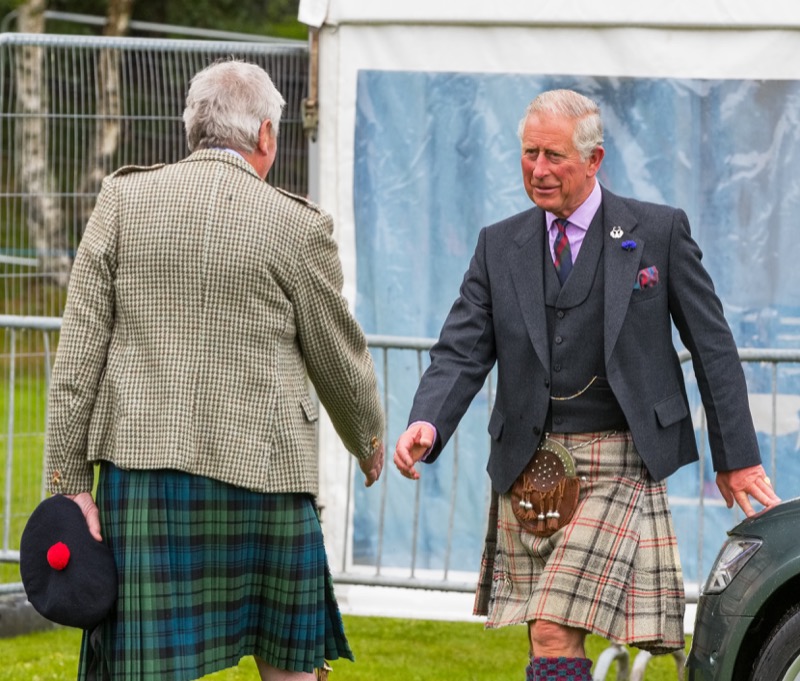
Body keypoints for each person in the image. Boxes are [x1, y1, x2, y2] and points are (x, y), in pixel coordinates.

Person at [393, 89, 780, 681]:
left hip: (620, 460)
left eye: (553, 156)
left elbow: (713, 347)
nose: (538, 170)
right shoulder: (501, 244)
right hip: (529, 461)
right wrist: (429, 418)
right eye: (528, 154)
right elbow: (463, 347)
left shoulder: (657, 231)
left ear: (594, 159)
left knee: (550, 624)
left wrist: (737, 459)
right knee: (547, 639)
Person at [44, 59, 385, 681]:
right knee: (290, 665)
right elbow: (340, 354)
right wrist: (368, 439)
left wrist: (67, 481)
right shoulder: (295, 224)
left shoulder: (123, 198)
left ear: (191, 128)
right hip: (267, 475)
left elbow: (78, 355)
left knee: (142, 667)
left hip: (145, 476)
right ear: (264, 136)